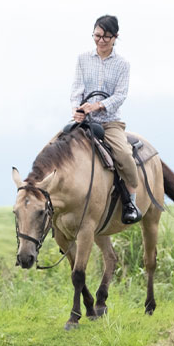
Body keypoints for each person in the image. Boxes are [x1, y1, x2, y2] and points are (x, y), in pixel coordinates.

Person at [70, 14, 142, 224]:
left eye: (106, 37)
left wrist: (98, 105)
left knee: (124, 155)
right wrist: (77, 109)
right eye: (97, 35)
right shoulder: (82, 59)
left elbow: (120, 95)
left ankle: (130, 202)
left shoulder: (122, 64)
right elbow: (76, 89)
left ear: (115, 37)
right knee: (57, 149)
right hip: (84, 121)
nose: (101, 41)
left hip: (109, 121)